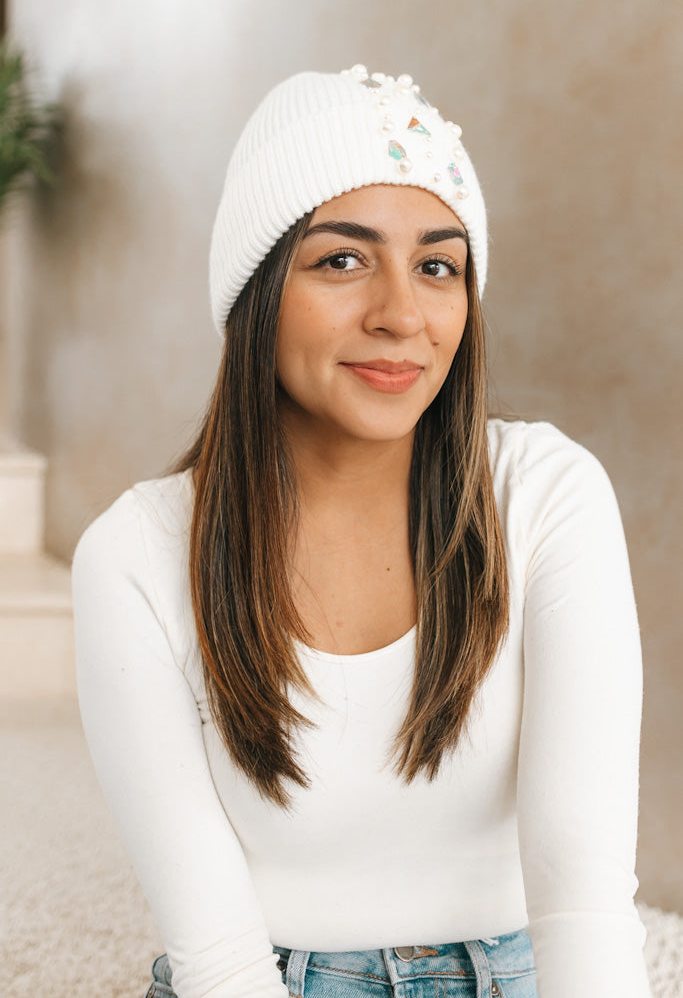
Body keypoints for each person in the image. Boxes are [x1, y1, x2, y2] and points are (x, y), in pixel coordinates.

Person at [72, 64, 652, 998]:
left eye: (437, 266)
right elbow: (217, 960)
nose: (401, 315)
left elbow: (582, 898)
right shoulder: (134, 557)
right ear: (256, 291)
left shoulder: (547, 492)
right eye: (341, 259)